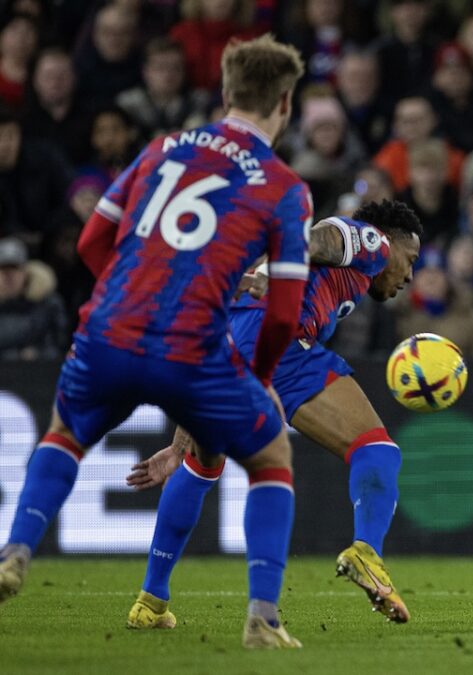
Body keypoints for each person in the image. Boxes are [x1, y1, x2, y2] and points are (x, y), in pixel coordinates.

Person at [0, 35, 313, 650]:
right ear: (285, 103)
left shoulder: (161, 148)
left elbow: (92, 242)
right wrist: (262, 380)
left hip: (109, 332)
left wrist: (129, 296)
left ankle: (15, 551)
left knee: (65, 433)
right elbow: (281, 315)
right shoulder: (284, 188)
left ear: (224, 93)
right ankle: (263, 619)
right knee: (271, 456)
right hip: (193, 348)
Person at [124, 200, 422, 627]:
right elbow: (314, 239)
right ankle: (366, 552)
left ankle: (150, 603)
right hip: (279, 344)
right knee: (377, 449)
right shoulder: (370, 242)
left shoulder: (341, 279)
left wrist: (176, 445)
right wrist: (267, 275)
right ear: (389, 241)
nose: (409, 275)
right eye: (409, 260)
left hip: (229, 344)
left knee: (200, 464)